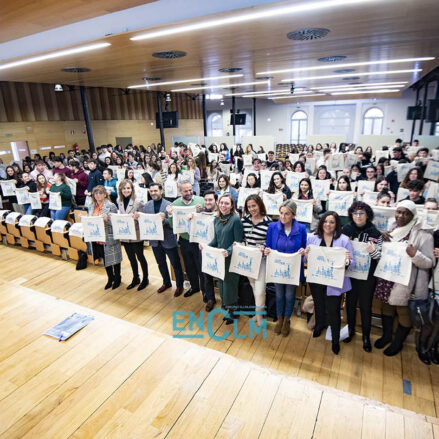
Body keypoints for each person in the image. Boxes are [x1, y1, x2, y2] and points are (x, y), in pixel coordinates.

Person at [373, 200, 434, 357]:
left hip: (406, 280)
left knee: (402, 311)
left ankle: (397, 343)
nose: (401, 215)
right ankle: (386, 336)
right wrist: (381, 238)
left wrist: (415, 254)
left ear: (413, 215)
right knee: (385, 306)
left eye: (406, 213)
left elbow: (429, 263)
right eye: (399, 212)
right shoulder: (393, 228)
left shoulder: (423, 234)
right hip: (388, 276)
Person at [305, 211, 355, 355]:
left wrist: (347, 261)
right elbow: (306, 261)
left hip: (334, 283)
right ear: (321, 223)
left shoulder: (344, 240)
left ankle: (335, 338)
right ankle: (319, 326)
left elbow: (352, 264)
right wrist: (306, 256)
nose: (328, 224)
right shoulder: (313, 238)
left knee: (333, 311)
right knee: (319, 306)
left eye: (332, 222)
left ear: (337, 224)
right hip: (317, 281)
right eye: (325, 221)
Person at [342, 201, 382, 352]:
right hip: (351, 274)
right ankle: (350, 331)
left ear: (367, 215)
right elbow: (338, 250)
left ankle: (366, 336)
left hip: (368, 277)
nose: (358, 216)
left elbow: (379, 257)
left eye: (361, 213)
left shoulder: (375, 233)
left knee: (366, 307)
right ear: (351, 215)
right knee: (350, 305)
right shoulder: (346, 230)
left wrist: (372, 251)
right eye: (355, 213)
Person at [265, 200, 306, 336]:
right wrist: (266, 250)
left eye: (287, 214)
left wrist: (302, 251)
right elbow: (268, 245)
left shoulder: (301, 229)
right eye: (281, 213)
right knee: (279, 294)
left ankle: (287, 319)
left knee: (289, 295)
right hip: (278, 268)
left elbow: (304, 247)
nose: (283, 216)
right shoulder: (272, 227)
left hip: (293, 269)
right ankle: (279, 319)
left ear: (293, 215)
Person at [203, 193, 243, 324]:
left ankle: (234, 312)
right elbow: (216, 240)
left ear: (232, 206)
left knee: (230, 286)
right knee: (221, 284)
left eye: (227, 203)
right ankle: (228, 308)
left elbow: (239, 241)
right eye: (221, 203)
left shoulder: (236, 220)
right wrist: (206, 247)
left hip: (231, 259)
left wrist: (229, 251)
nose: (223, 206)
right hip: (219, 259)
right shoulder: (216, 219)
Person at [144, 183, 184, 296]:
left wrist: (164, 220)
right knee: (160, 263)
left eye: (155, 190)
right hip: (155, 241)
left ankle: (179, 285)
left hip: (168, 240)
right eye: (151, 191)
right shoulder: (147, 206)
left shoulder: (169, 205)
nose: (153, 193)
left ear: (161, 191)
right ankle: (166, 282)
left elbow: (174, 224)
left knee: (175, 264)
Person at [167, 182, 205, 297]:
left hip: (199, 240)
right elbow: (172, 225)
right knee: (189, 266)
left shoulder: (201, 200)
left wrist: (202, 210)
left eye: (190, 190)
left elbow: (209, 217)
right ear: (180, 192)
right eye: (186, 191)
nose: (189, 193)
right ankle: (194, 287)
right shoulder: (175, 204)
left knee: (201, 267)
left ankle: (205, 291)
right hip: (184, 240)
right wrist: (170, 215)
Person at [241, 195, 271, 326]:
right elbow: (243, 236)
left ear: (260, 205)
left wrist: (263, 246)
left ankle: (260, 318)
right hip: (248, 260)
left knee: (260, 291)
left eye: (254, 205)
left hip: (261, 260)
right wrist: (242, 243)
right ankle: (258, 314)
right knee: (253, 287)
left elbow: (270, 242)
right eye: (249, 206)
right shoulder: (245, 220)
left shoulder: (268, 222)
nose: (252, 209)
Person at [88, 185, 122, 289]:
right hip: (98, 237)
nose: (98, 195)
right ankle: (110, 278)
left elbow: (117, 222)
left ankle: (117, 278)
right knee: (106, 259)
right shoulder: (91, 206)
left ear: (105, 194)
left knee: (115, 259)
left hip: (110, 236)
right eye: (96, 193)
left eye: (100, 193)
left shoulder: (111, 205)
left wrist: (107, 219)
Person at [117, 179, 149, 291]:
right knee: (131, 258)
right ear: (120, 189)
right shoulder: (119, 201)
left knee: (140, 257)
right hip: (125, 234)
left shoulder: (138, 201)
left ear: (132, 189)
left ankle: (145, 279)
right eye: (124, 188)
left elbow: (144, 217)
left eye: (128, 188)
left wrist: (138, 216)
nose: (126, 190)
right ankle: (136, 278)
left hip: (136, 233)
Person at [189, 190, 218, 311]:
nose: (207, 202)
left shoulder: (221, 214)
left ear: (216, 201)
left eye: (210, 200)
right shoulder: (200, 214)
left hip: (218, 250)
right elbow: (191, 230)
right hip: (203, 249)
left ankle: (227, 301)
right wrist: (190, 219)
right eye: (206, 200)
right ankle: (210, 298)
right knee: (206, 276)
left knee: (221, 276)